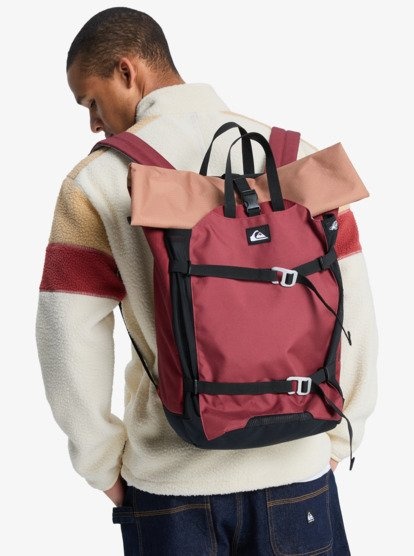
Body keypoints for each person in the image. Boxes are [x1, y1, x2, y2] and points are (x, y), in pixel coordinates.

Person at [36, 7, 378, 555]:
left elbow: (68, 340)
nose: (94, 123)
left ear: (127, 71)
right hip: (300, 475)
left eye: (91, 101)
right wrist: (340, 436)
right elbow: (352, 307)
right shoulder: (300, 160)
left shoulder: (97, 181)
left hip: (170, 486)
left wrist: (101, 465)